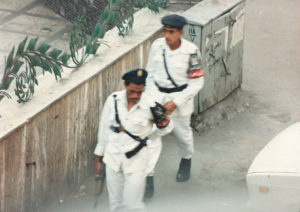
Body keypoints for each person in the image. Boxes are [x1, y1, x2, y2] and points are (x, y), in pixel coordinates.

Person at [94, 68, 173, 211]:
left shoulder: (151, 105)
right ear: (125, 85)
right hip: (113, 158)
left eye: (139, 91)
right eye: (132, 91)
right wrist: (98, 158)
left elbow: (167, 127)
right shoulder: (113, 100)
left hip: (136, 161)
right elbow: (104, 128)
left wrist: (149, 137)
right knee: (116, 204)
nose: (135, 95)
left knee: (133, 205)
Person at [144, 14, 205, 199]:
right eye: (165, 31)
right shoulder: (157, 46)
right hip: (157, 98)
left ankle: (186, 160)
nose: (167, 35)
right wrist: (154, 101)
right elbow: (149, 75)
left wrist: (175, 103)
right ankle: (148, 179)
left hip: (180, 99)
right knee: (151, 138)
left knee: (183, 135)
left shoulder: (191, 51)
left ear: (180, 32)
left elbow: (197, 82)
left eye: (171, 32)